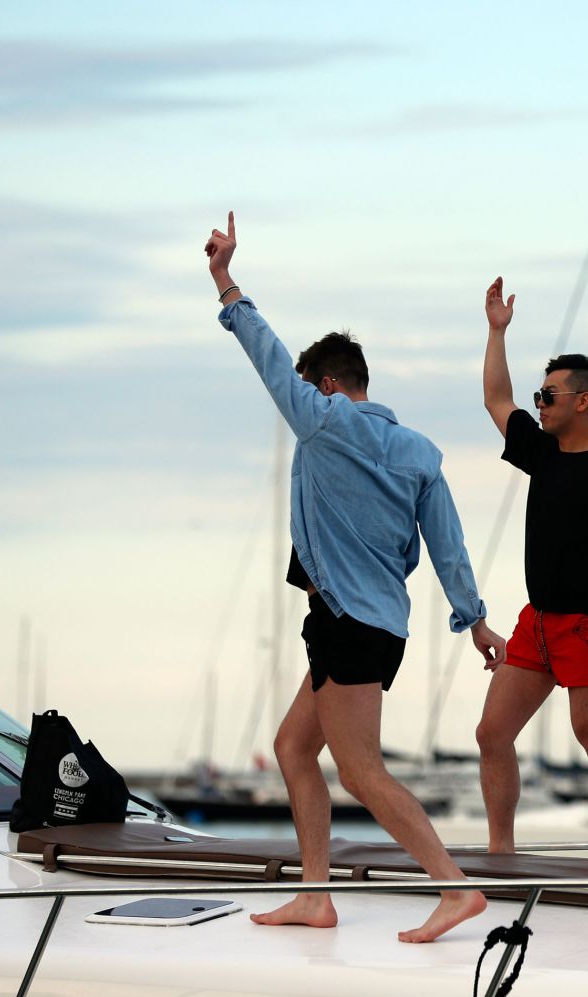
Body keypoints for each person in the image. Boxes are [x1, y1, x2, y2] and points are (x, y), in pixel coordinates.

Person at [204, 212, 507, 943]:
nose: (301, 400)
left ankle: (452, 885)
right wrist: (473, 618)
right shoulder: (419, 452)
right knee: (291, 748)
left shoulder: (325, 419)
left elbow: (269, 357)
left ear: (331, 385)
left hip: (347, 623)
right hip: (377, 626)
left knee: (361, 769)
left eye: (311, 390)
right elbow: (449, 544)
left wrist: (225, 283)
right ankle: (316, 895)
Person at [476, 276, 588, 862]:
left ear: (583, 401)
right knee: (491, 734)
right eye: (539, 395)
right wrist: (497, 331)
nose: (538, 404)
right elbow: (497, 399)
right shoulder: (540, 452)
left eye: (548, 396)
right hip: (538, 621)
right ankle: (501, 851)